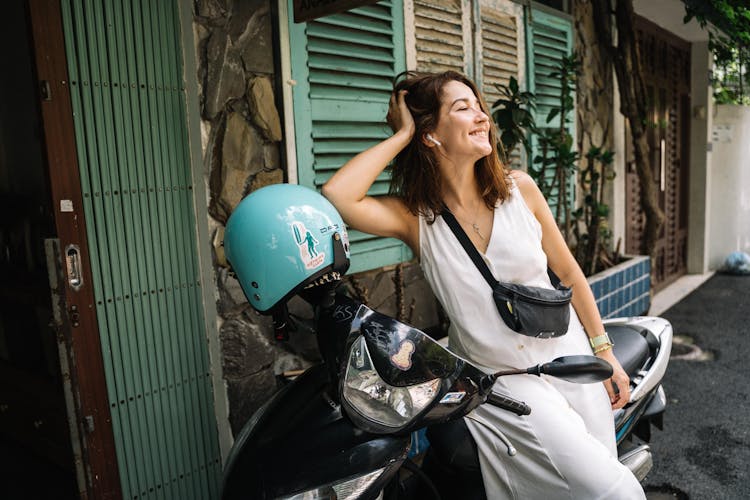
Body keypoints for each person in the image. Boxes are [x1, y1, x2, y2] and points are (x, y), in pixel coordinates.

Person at [321, 71, 645, 499]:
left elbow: (567, 274)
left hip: (568, 356)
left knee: (597, 467)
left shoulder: (520, 190)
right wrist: (403, 134)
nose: (481, 116)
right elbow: (338, 194)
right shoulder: (417, 219)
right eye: (462, 108)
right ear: (431, 135)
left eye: (479, 106)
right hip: (507, 382)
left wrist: (604, 351)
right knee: (612, 491)